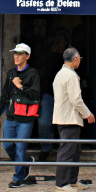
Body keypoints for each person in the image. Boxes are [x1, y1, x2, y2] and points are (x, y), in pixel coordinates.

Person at [0, 43, 41, 189]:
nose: (16, 56)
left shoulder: (33, 74)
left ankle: (18, 178)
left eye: (20, 54)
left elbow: (35, 95)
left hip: (25, 118)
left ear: (27, 56)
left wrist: (20, 87)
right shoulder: (11, 73)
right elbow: (5, 95)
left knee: (20, 148)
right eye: (15, 53)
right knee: (7, 145)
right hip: (11, 117)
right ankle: (26, 161)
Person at [52, 47, 94, 192]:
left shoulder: (60, 74)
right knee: (67, 151)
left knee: (74, 150)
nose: (80, 61)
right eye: (79, 58)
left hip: (65, 117)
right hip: (68, 118)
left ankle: (72, 180)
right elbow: (76, 99)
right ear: (75, 59)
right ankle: (62, 183)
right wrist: (88, 114)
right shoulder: (70, 75)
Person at [35, 35, 65, 163]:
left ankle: (64, 151)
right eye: (56, 42)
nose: (58, 45)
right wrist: (50, 53)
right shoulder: (49, 55)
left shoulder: (68, 57)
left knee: (63, 125)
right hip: (48, 94)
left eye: (60, 42)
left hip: (64, 96)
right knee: (44, 123)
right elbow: (37, 65)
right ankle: (46, 148)